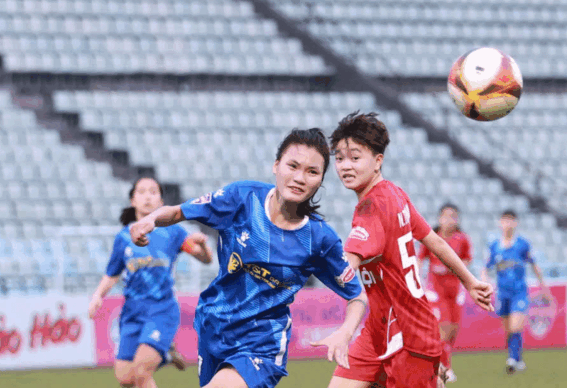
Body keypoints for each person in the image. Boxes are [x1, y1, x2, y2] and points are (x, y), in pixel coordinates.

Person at [129, 128, 368, 388]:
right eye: (293, 166)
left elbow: (357, 295)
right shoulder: (242, 198)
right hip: (214, 327)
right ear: (276, 166)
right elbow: (178, 212)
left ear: (320, 180)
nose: (300, 178)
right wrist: (151, 219)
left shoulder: (320, 238)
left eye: (312, 172)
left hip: (262, 343)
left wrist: (345, 333)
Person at [326, 111, 494, 388]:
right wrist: (470, 281)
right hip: (379, 329)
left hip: (409, 334)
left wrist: (312, 261)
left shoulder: (372, 207)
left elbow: (349, 261)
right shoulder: (395, 194)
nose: (345, 166)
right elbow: (434, 241)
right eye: (340, 158)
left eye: (355, 158)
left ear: (378, 161)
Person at [89, 177, 214, 388]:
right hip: (132, 313)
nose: (147, 196)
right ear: (132, 200)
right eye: (142, 192)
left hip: (161, 310)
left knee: (141, 372)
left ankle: (160, 351)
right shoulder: (123, 238)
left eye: (153, 192)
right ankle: (166, 354)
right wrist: (97, 295)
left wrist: (203, 246)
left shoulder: (173, 232)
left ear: (161, 202)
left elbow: (205, 259)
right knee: (125, 378)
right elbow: (112, 274)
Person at [481, 210, 552, 375]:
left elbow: (534, 265)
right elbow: (485, 268)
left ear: (516, 223)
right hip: (503, 293)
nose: (508, 224)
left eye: (511, 221)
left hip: (519, 292)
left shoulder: (522, 245)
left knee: (516, 325)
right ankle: (517, 359)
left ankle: (512, 360)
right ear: (500, 223)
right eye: (505, 221)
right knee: (508, 329)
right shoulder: (494, 246)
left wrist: (543, 286)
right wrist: (485, 282)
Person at [417, 203, 472, 383]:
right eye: (446, 216)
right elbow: (420, 259)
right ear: (439, 218)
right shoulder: (432, 238)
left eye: (453, 217)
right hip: (436, 290)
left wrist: (456, 267)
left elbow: (467, 260)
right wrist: (417, 280)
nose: (449, 220)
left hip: (455, 290)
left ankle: (439, 364)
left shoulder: (462, 239)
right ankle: (445, 368)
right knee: (444, 328)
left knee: (453, 331)